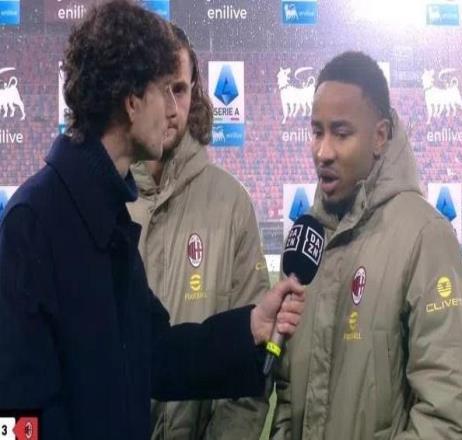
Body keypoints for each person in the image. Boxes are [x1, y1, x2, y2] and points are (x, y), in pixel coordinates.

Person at [0, 2, 306, 440]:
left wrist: (250, 326)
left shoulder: (108, 216)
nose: (174, 109)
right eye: (164, 90)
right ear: (131, 101)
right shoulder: (35, 221)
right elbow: (15, 419)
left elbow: (157, 355)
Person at [271, 51, 462, 440]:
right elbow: (287, 397)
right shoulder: (306, 240)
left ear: (380, 136)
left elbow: (446, 418)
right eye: (317, 131)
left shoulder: (425, 236)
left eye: (341, 133)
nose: (323, 152)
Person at [127, 24, 270, 440]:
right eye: (157, 88)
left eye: (179, 89)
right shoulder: (103, 202)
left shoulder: (232, 204)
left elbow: (252, 362)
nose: (170, 107)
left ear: (196, 92)